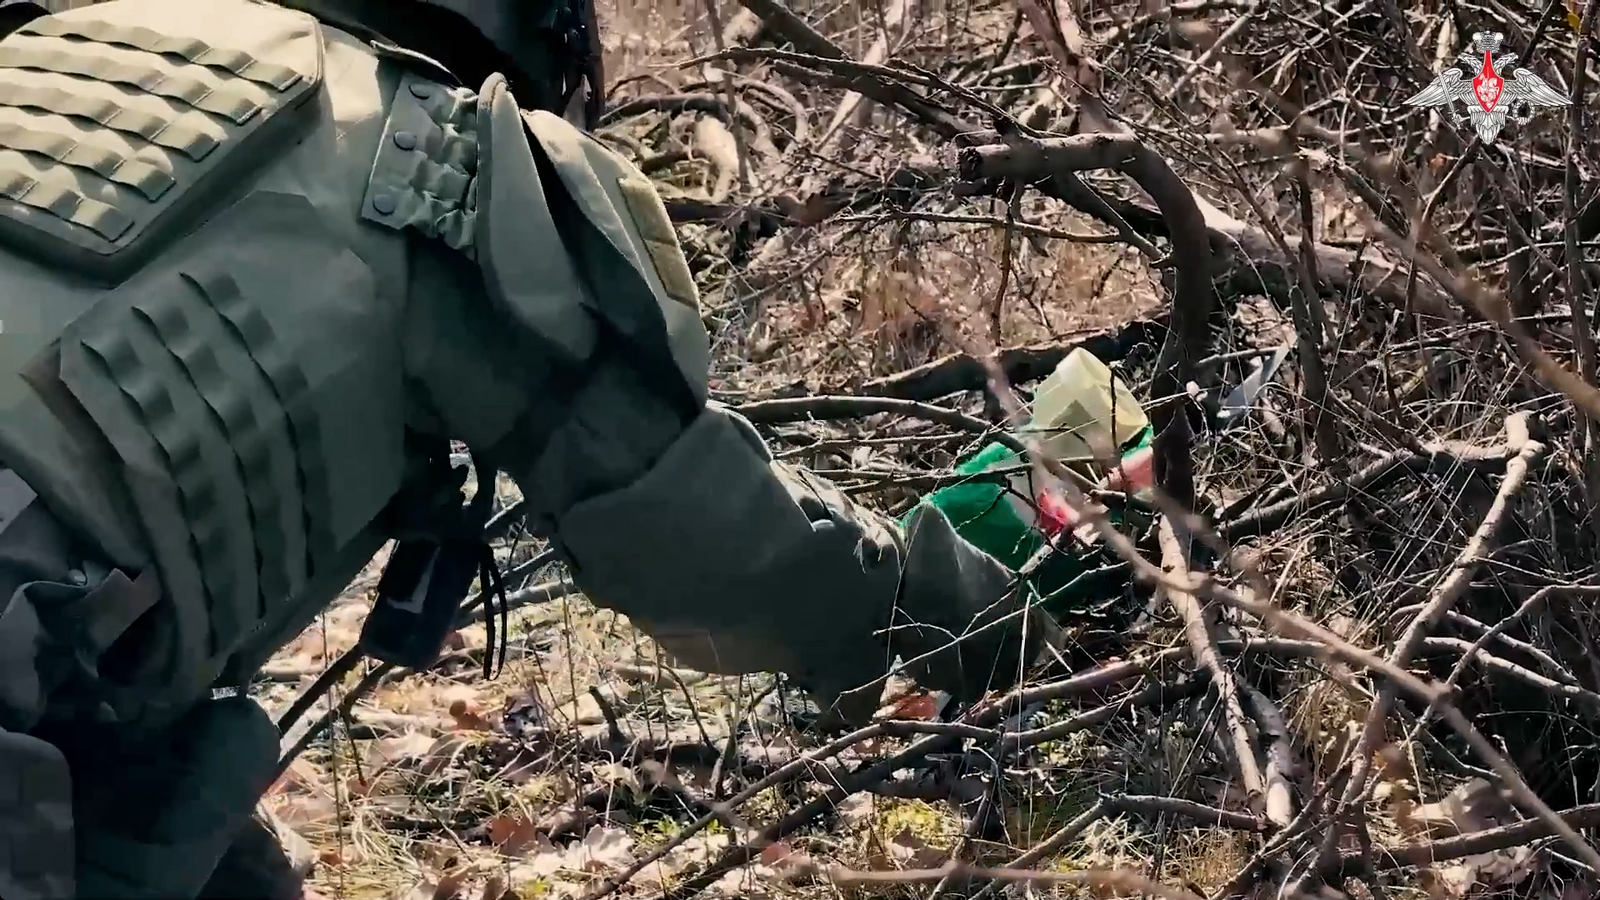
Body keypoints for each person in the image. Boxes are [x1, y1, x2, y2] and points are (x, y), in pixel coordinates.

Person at [0, 0, 1068, 897]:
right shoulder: (436, 159)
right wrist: (972, 617)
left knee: (181, 801)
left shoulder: (59, 49)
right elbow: (710, 543)